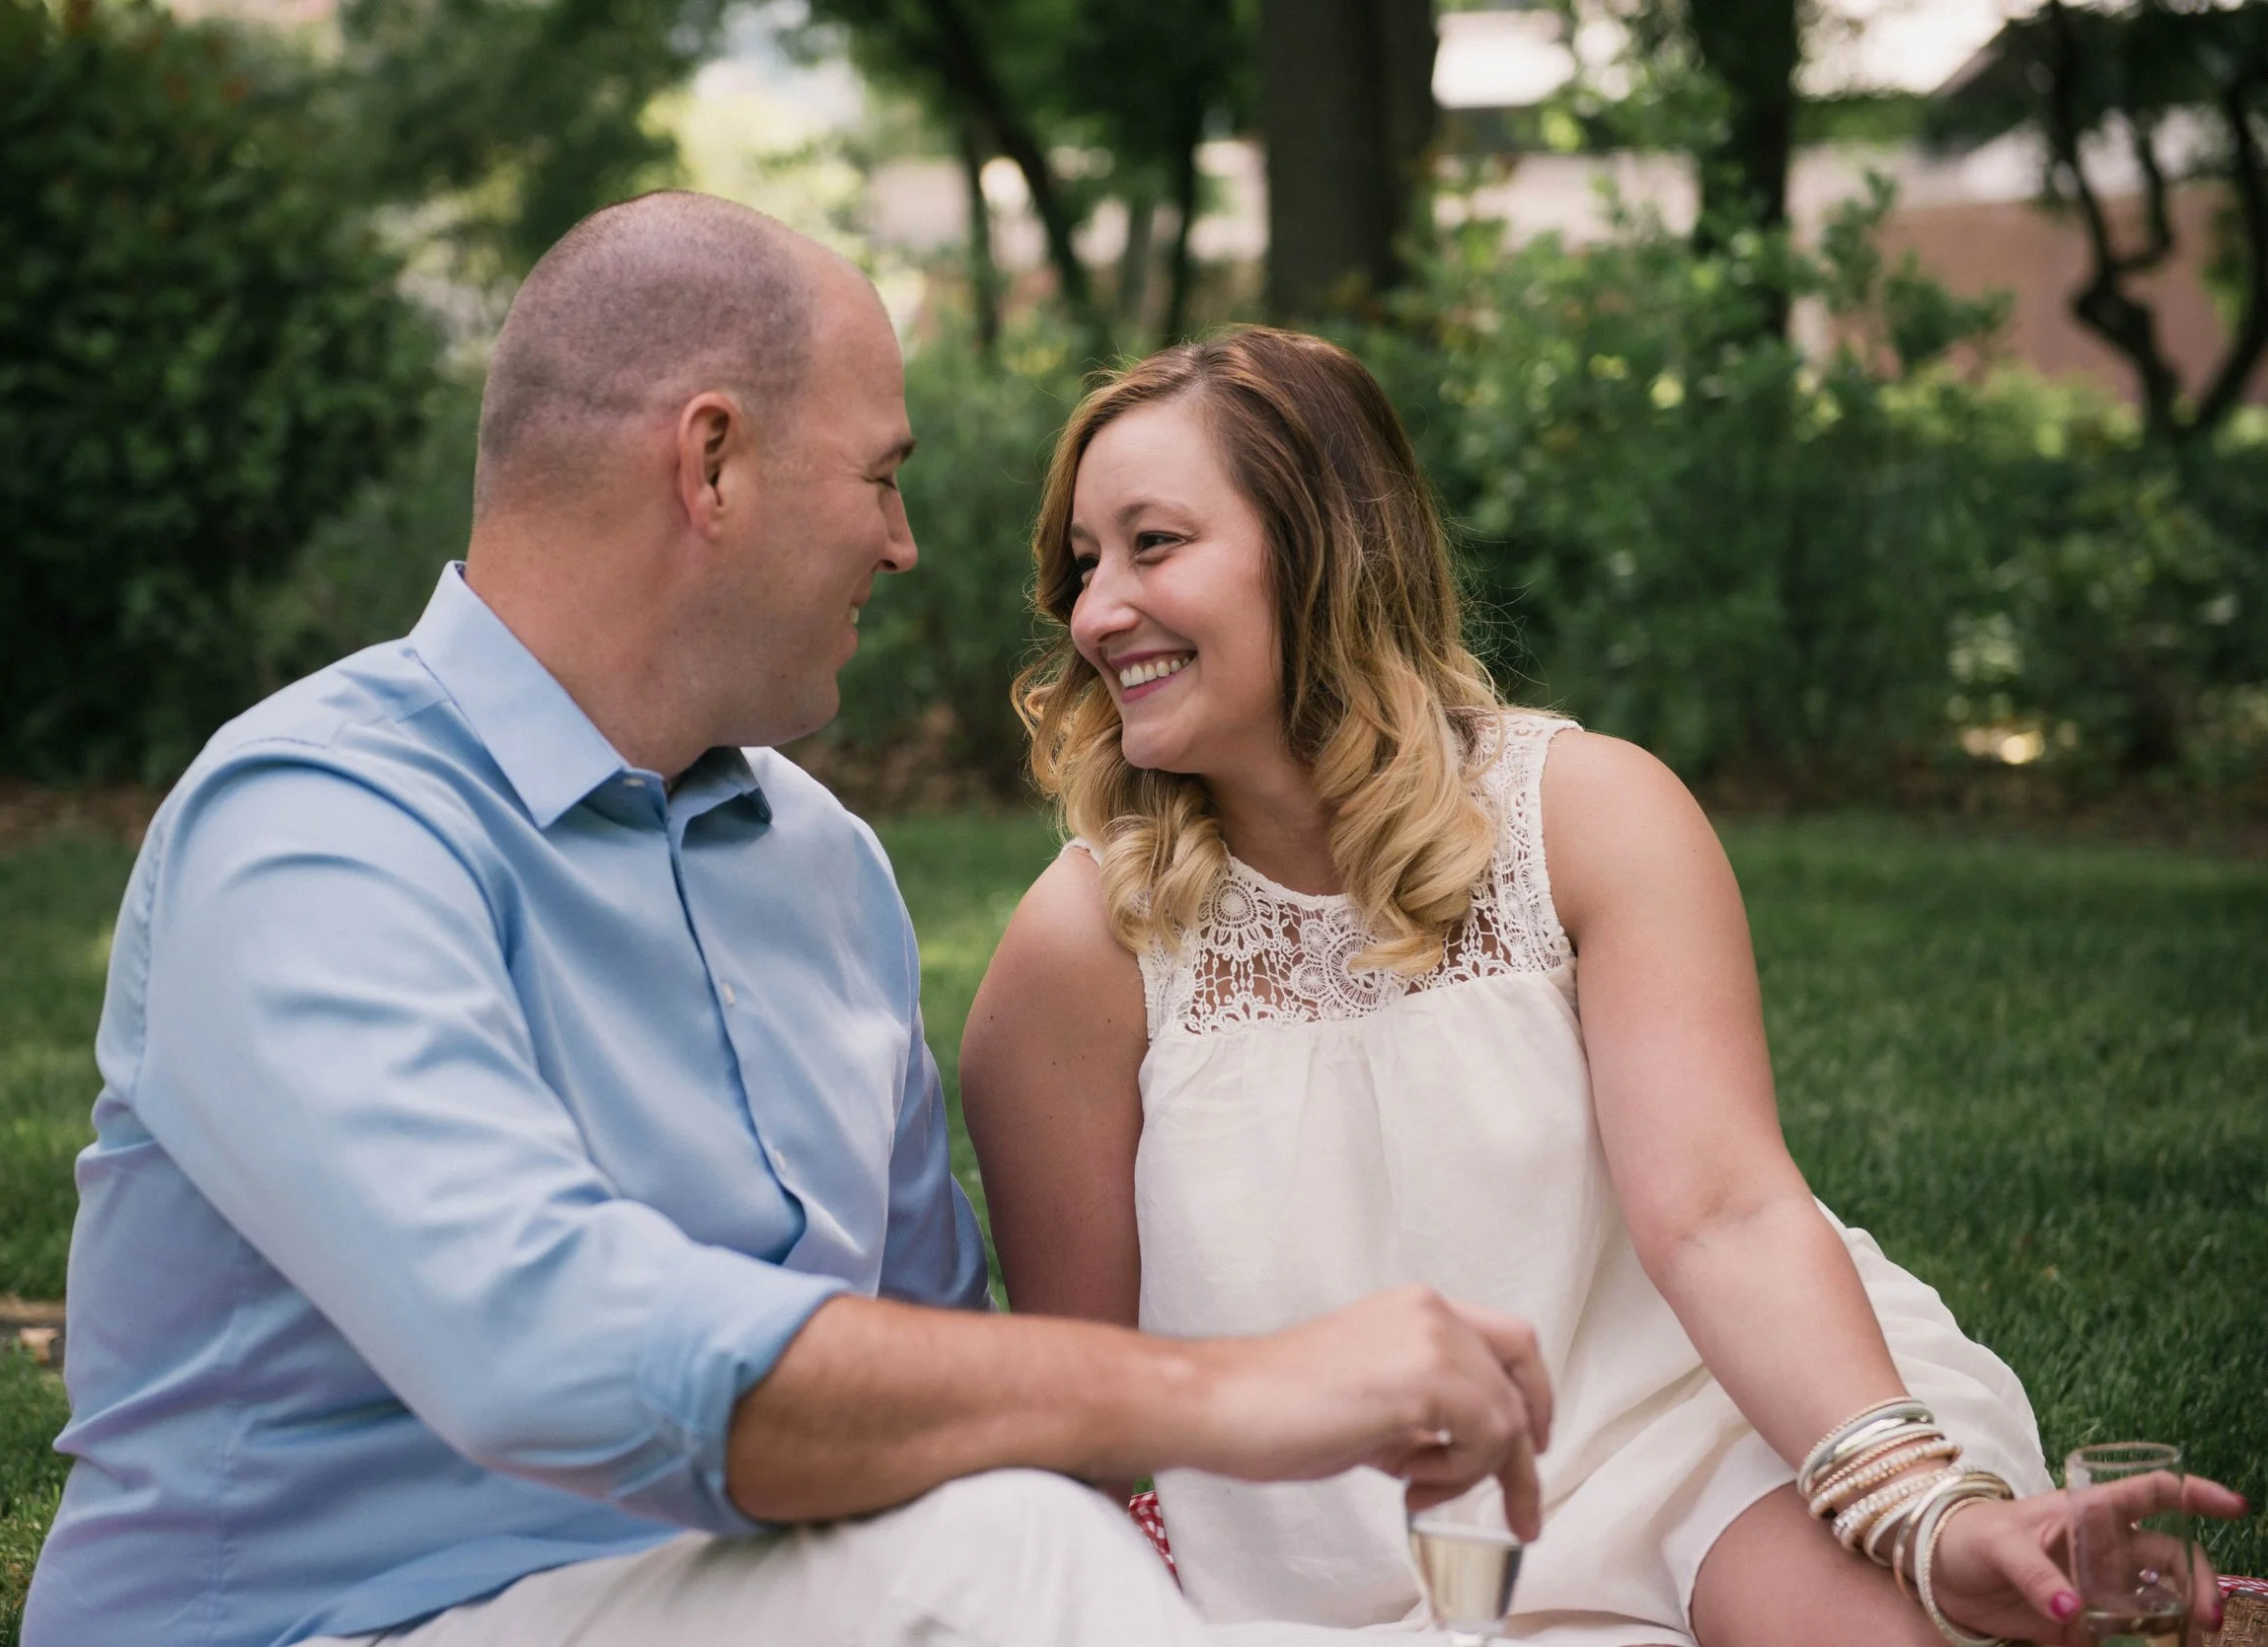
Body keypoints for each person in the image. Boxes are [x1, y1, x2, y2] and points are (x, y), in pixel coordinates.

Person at [18, 197, 1562, 1647]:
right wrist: (1230, 1393)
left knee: (1019, 1533)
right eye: (880, 476)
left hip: (735, 1592)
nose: (903, 544)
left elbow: (936, 1380)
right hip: (345, 1619)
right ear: (711, 464)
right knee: (1009, 1570)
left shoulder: (821, 867)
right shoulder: (317, 828)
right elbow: (541, 1350)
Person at [961, 326, 2245, 1647]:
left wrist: (1916, 1509)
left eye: (1153, 544)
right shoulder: (1084, 944)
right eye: (1081, 563)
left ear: (1325, 551)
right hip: (1319, 1564)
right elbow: (1093, 1402)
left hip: (1695, 1439)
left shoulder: (1582, 817)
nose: (1099, 609)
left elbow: (1724, 1217)